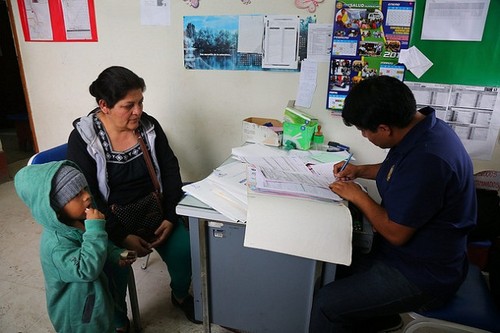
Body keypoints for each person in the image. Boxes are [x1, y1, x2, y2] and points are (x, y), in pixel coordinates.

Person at [309, 75, 477, 333]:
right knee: (331, 266)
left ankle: (369, 316)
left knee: (325, 304)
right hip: (415, 257)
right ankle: (377, 319)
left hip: (423, 274)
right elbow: (397, 170)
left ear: (385, 128)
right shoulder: (425, 128)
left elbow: (396, 233)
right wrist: (360, 170)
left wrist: (358, 195)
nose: (364, 136)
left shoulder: (428, 160)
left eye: (365, 130)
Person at [66, 66, 198, 330]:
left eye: (140, 102)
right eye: (129, 105)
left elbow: (170, 170)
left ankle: (180, 295)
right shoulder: (84, 139)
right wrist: (120, 236)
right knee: (112, 270)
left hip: (155, 212)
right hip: (110, 222)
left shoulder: (148, 126)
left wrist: (171, 217)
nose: (138, 111)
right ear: (104, 105)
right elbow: (88, 196)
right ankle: (118, 321)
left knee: (186, 251)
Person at [14, 161, 136, 333]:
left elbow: (98, 245)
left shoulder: (75, 222)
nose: (87, 196)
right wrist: (95, 230)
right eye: (76, 194)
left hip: (96, 303)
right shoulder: (56, 246)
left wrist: (116, 253)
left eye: (85, 189)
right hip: (80, 318)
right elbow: (86, 269)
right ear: (55, 207)